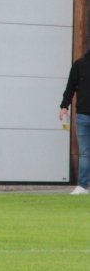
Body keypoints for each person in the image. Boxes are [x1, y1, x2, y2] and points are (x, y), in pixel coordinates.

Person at [59, 49, 90, 195]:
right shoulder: (79, 65)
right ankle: (83, 186)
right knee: (85, 153)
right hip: (83, 116)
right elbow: (70, 87)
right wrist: (64, 106)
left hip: (83, 116)